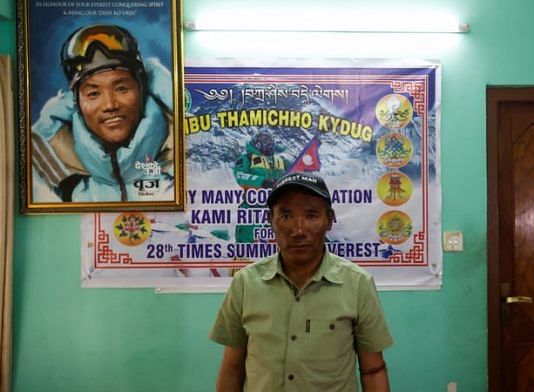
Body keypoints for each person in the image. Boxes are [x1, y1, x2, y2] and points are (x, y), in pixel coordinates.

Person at [210, 173, 393, 391]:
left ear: (329, 220)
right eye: (286, 216)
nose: (298, 230)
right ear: (271, 221)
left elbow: (373, 370)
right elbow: (232, 369)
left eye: (311, 215)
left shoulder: (357, 284)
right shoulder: (245, 283)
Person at [31, 24, 174, 202]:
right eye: (93, 94)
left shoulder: (195, 160)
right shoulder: (41, 172)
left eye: (121, 88)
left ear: (141, 88)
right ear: (77, 102)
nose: (109, 105)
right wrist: (68, 186)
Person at [233, 131, 289, 243]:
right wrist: (262, 182)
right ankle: (242, 258)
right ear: (256, 142)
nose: (266, 144)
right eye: (263, 140)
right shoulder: (247, 158)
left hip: (275, 206)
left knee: (279, 238)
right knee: (246, 236)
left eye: (268, 141)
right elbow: (240, 176)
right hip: (252, 205)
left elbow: (296, 171)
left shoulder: (280, 161)